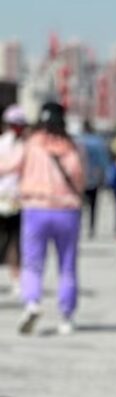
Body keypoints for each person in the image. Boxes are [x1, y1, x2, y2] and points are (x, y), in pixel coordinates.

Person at [0, 102, 84, 335]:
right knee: (67, 265)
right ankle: (67, 316)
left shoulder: (31, 144)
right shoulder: (71, 147)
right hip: (67, 210)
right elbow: (78, 177)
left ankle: (32, 303)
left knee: (33, 263)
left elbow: (7, 166)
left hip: (35, 208)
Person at [0, 104, 28, 296]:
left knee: (16, 241)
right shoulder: (7, 144)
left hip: (19, 199)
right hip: (6, 197)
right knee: (13, 241)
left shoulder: (26, 145)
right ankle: (16, 278)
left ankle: (16, 277)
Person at [76, 120, 109, 239]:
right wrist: (105, 176)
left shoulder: (78, 140)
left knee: (79, 204)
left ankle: (78, 226)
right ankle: (92, 227)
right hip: (94, 176)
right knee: (94, 204)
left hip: (79, 177)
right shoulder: (98, 142)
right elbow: (104, 161)